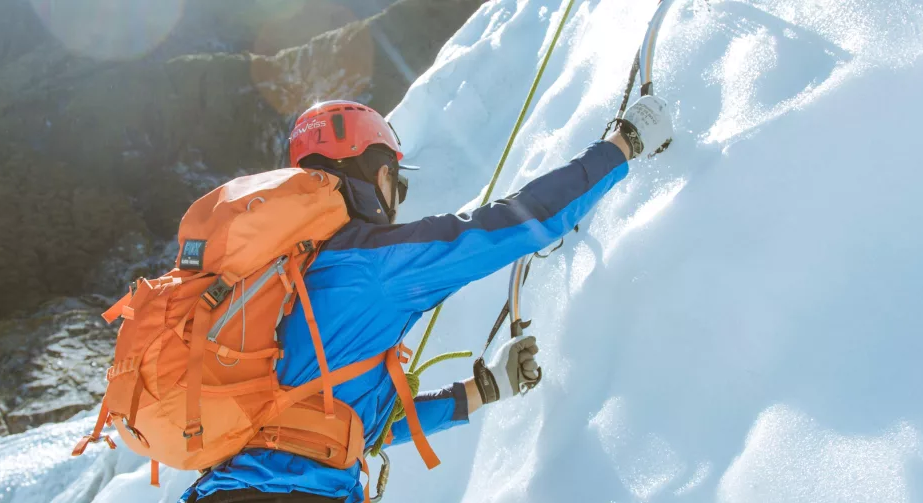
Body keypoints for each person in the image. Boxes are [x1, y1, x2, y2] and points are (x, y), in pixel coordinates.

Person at [184, 97, 673, 503]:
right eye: (396, 182)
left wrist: (484, 389)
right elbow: (514, 225)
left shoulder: (273, 278)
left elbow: (351, 428)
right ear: (376, 176)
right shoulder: (374, 266)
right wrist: (623, 144)